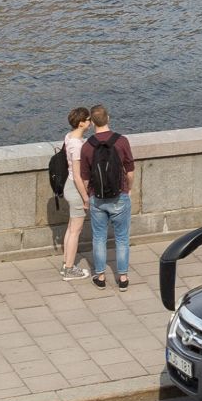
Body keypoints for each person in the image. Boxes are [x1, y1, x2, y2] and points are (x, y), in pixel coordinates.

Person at [75, 105, 139, 290]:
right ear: (108, 118)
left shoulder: (87, 146)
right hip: (120, 195)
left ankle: (101, 276)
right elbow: (130, 170)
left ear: (92, 122)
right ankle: (123, 278)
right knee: (121, 238)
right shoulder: (122, 141)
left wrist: (88, 197)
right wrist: (128, 189)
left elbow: (85, 177)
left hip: (97, 198)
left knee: (99, 238)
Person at [55, 104, 93, 280]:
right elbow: (78, 176)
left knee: (71, 229)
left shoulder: (69, 137)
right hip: (76, 189)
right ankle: (70, 269)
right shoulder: (77, 146)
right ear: (81, 123)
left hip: (68, 185)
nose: (90, 122)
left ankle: (65, 264)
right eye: (88, 120)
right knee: (75, 231)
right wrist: (86, 197)